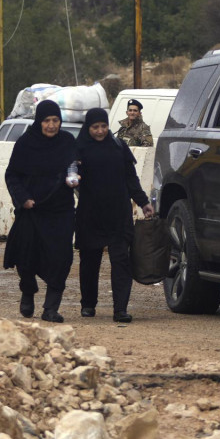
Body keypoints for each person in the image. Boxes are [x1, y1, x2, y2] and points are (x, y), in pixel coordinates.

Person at [74, 107, 154, 322]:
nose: (100, 131)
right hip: (90, 214)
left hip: (118, 214)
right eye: (95, 127)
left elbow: (131, 179)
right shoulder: (78, 149)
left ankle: (120, 309)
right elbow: (70, 178)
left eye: (103, 126)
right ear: (87, 127)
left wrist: (143, 202)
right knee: (90, 261)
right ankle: (88, 304)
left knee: (121, 261)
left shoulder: (118, 147)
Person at [3, 100, 79, 323]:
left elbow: (74, 166)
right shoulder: (26, 143)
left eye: (55, 120)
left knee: (61, 259)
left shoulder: (67, 142)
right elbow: (12, 175)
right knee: (26, 257)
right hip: (32, 211)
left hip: (60, 211)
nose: (51, 125)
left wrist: (75, 179)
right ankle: (28, 291)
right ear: (39, 121)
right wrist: (23, 198)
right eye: (47, 120)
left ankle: (51, 308)